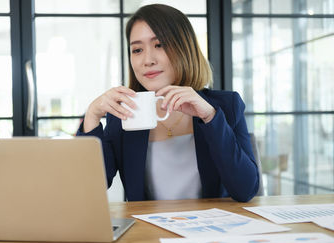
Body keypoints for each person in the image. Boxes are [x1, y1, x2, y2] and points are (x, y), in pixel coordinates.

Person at [77, 4, 259, 202]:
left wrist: (210, 117)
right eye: (137, 50)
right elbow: (88, 187)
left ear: (184, 48)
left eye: (160, 45)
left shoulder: (226, 105)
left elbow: (246, 189)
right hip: (148, 231)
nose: (147, 60)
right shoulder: (124, 113)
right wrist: (92, 116)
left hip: (211, 230)